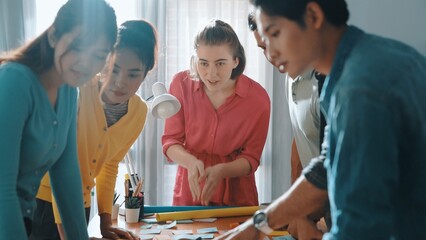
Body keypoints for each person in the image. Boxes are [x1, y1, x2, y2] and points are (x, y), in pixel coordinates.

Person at [219, 0, 426, 239]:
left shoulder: (359, 88)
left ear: (313, 16)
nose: (271, 52)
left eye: (275, 34)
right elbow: (327, 167)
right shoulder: (371, 57)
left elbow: (359, 229)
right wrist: (258, 226)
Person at [0, 0, 117, 239]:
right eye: (78, 46)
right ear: (54, 36)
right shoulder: (15, 81)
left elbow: (66, 178)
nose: (87, 63)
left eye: (99, 55)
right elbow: (3, 189)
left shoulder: (68, 93)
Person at [32, 19, 158, 240]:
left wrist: (105, 223)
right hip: (44, 201)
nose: (119, 82)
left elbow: (109, 166)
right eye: (113, 69)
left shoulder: (139, 112)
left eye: (133, 74)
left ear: (146, 74)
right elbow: (57, 168)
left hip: (81, 204)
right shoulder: (77, 90)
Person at [162, 19, 270, 206]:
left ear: (236, 60)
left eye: (220, 64)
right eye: (203, 63)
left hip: (238, 194)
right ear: (195, 60)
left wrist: (221, 171)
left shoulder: (258, 98)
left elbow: (251, 158)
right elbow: (170, 141)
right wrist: (189, 161)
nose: (211, 74)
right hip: (191, 190)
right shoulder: (180, 84)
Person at [248, 12, 329, 239]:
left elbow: (330, 167)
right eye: (262, 48)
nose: (271, 55)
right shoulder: (291, 75)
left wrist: (295, 213)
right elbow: (302, 136)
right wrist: (295, 207)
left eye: (275, 40)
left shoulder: (329, 83)